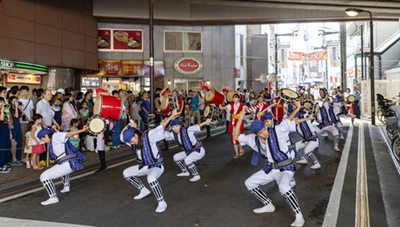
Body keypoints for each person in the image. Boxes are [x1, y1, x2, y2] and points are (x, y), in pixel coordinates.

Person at [234, 101, 305, 227]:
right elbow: (236, 136)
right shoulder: (252, 139)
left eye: (264, 129)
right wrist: (240, 118)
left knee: (284, 187)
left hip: (285, 167)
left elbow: (289, 120)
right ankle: (268, 204)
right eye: (261, 132)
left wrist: (297, 108)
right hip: (272, 169)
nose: (265, 133)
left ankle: (299, 216)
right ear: (256, 134)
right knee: (249, 183)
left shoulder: (277, 130)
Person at [120, 109, 180, 213]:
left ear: (135, 135)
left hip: (157, 166)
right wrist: (129, 125)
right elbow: (121, 136)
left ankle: (162, 202)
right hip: (145, 166)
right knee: (126, 173)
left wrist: (171, 116)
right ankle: (143, 190)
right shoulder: (132, 141)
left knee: (151, 178)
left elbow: (160, 127)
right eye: (130, 142)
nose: (131, 143)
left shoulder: (149, 136)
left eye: (131, 141)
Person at [38, 125, 88, 205]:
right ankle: (66, 186)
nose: (43, 141)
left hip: (68, 163)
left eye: (43, 139)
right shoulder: (54, 138)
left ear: (46, 136)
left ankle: (53, 197)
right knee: (59, 166)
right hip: (68, 163)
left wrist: (82, 130)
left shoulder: (55, 136)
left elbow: (68, 134)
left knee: (44, 176)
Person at [164, 118, 212, 182]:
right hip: (189, 152)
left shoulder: (187, 130)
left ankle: (196, 175)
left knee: (187, 160)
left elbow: (197, 126)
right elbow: (164, 134)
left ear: (180, 126)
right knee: (176, 157)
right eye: (173, 127)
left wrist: (206, 121)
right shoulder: (174, 134)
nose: (175, 128)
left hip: (198, 150)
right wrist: (162, 126)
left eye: (176, 126)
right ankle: (185, 172)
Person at [219, 93, 247, 159]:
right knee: (233, 137)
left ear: (239, 99)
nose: (234, 99)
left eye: (235, 98)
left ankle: (241, 148)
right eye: (233, 98)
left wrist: (245, 109)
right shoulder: (231, 105)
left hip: (239, 122)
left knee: (238, 136)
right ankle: (236, 153)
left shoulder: (242, 105)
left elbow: (245, 108)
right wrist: (222, 107)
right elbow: (226, 107)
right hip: (233, 122)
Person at [9, 96, 24, 166]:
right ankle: (13, 159)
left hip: (18, 125)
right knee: (15, 142)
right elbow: (16, 116)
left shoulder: (17, 108)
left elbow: (22, 114)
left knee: (19, 141)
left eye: (16, 101)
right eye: (13, 101)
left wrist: (21, 109)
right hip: (14, 126)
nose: (15, 102)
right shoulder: (10, 109)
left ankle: (18, 158)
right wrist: (16, 108)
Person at [0, 97, 12, 173]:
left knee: (7, 147)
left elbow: (7, 121)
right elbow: (1, 119)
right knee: (2, 148)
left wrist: (10, 132)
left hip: (6, 129)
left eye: (2, 102)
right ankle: (0, 167)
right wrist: (2, 109)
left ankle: (4, 164)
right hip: (1, 130)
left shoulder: (4, 111)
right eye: (0, 102)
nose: (2, 104)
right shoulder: (1, 111)